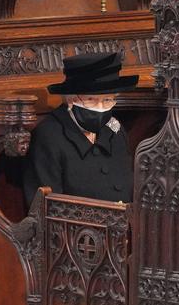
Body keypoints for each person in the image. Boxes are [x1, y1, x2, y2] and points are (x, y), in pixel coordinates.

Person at [23, 52, 138, 205]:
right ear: (71, 99)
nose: (101, 108)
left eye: (108, 100)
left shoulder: (115, 129)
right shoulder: (49, 136)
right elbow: (45, 208)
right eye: (91, 100)